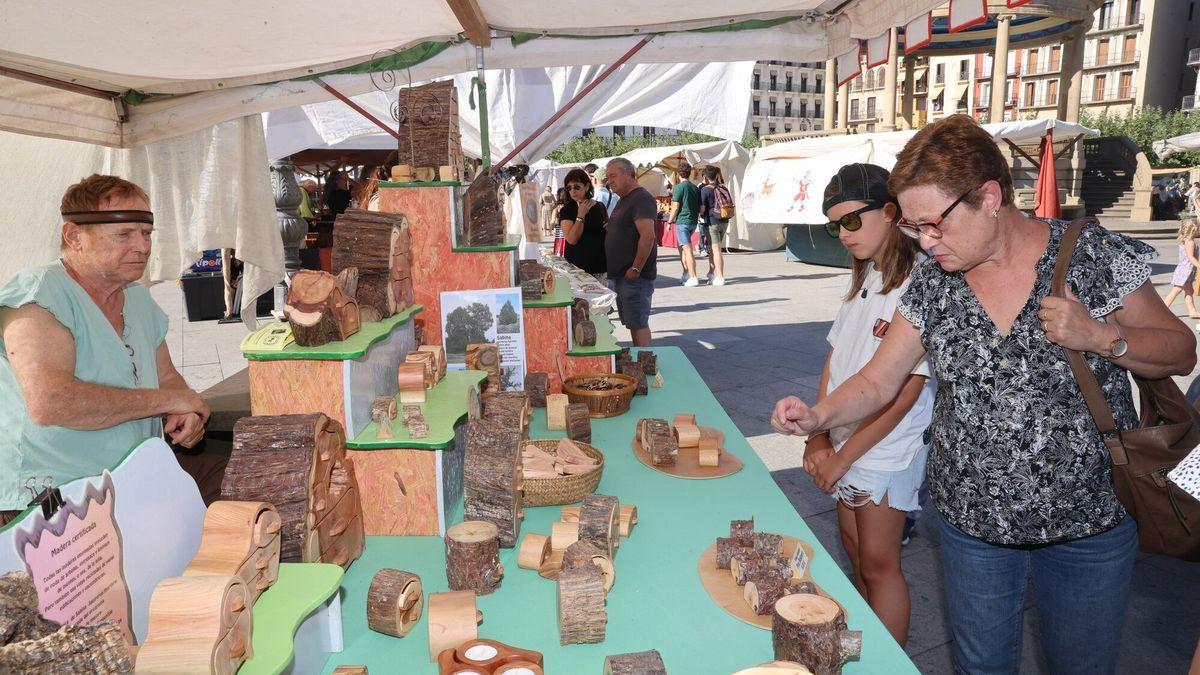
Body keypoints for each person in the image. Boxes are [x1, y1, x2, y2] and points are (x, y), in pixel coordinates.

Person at [770, 115, 1195, 673]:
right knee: (980, 668)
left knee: (1081, 666)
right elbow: (878, 380)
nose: (924, 241)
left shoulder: (1091, 255)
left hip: (1087, 524)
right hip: (974, 527)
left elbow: (1179, 350)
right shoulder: (933, 282)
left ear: (989, 197)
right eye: (916, 228)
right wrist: (817, 414)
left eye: (934, 225)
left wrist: (1101, 336)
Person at [0, 175, 221, 525]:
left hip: (134, 483)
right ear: (74, 236)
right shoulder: (39, 293)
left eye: (146, 233)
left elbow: (166, 377)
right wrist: (171, 402)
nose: (143, 247)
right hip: (53, 501)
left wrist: (185, 414)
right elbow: (50, 401)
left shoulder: (137, 298)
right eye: (124, 235)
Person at [804, 163, 935, 647]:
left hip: (885, 448)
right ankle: (868, 649)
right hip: (846, 438)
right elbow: (835, 359)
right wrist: (818, 434)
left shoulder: (921, 282)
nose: (842, 233)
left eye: (852, 220)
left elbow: (905, 394)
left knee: (881, 566)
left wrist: (840, 454)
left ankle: (887, 661)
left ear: (890, 211)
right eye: (834, 224)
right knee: (857, 556)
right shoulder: (868, 275)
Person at [604, 158, 657, 346]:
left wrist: (636, 268)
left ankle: (644, 363)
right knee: (632, 323)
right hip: (622, 276)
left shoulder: (641, 198)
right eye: (608, 177)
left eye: (613, 175)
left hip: (634, 277)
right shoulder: (624, 200)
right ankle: (639, 361)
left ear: (628, 174)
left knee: (639, 323)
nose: (610, 181)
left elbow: (648, 236)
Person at [558, 168, 608, 277]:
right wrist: (580, 216)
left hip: (599, 267)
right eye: (569, 188)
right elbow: (571, 239)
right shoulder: (568, 210)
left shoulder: (599, 206)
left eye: (577, 187)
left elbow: (606, 231)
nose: (573, 191)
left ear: (587, 186)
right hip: (576, 268)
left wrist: (611, 228)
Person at [668, 162, 703, 286]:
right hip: (693, 221)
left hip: (682, 221)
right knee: (682, 248)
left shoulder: (679, 188)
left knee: (687, 250)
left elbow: (675, 206)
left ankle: (693, 277)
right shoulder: (695, 188)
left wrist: (669, 221)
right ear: (690, 173)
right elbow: (701, 207)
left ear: (678, 174)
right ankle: (685, 273)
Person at [698, 166, 730, 286]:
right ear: (716, 175)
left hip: (712, 222)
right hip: (724, 221)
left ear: (705, 176)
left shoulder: (705, 190)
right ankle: (711, 273)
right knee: (712, 249)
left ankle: (720, 276)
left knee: (716, 250)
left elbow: (702, 210)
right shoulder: (723, 188)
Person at [1162, 218, 1200, 319]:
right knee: (1176, 291)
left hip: (1187, 271)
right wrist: (1198, 265)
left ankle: (1192, 311)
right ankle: (1162, 310)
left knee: (1189, 291)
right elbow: (1190, 257)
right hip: (1185, 271)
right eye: (1198, 229)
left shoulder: (1186, 240)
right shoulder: (1190, 242)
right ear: (1194, 230)